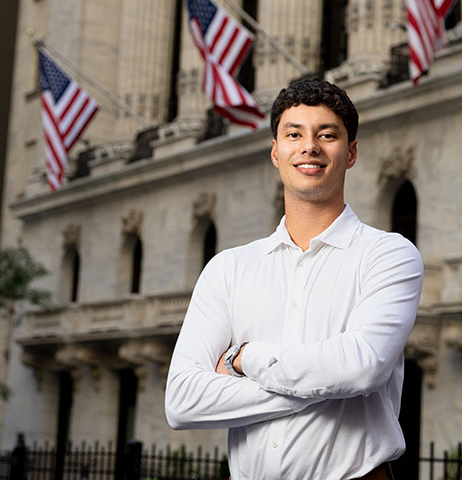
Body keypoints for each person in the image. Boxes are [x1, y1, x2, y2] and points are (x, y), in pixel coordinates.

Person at [165, 78, 423, 480]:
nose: (310, 146)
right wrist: (322, 390)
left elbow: (361, 368)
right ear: (275, 151)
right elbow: (183, 402)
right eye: (293, 134)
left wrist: (243, 358)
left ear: (351, 153)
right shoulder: (228, 269)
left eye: (327, 134)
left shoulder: (388, 255)